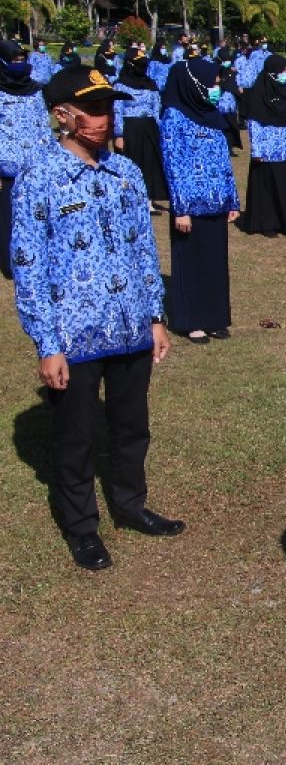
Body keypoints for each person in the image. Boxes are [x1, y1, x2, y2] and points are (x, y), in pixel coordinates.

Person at [10, 66, 184, 570]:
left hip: (130, 326)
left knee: (132, 426)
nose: (105, 118)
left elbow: (146, 252)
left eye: (109, 107)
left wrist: (155, 317)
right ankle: (81, 525)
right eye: (93, 109)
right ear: (61, 114)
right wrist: (47, 344)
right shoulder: (38, 176)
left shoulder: (126, 172)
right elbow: (29, 266)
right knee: (77, 436)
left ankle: (130, 505)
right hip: (74, 333)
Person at [159, 59, 241, 344]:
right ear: (194, 84)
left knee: (215, 263)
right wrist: (180, 210)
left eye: (218, 83)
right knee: (191, 263)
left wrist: (233, 200)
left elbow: (224, 162)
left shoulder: (212, 114)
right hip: (190, 207)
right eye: (212, 83)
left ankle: (215, 317)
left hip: (217, 201)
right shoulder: (174, 116)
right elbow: (173, 165)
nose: (216, 88)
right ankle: (192, 320)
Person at [0, 40, 55, 279]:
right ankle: (11, 264)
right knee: (9, 221)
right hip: (7, 170)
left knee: (37, 217)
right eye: (14, 61)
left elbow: (44, 127)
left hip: (37, 168)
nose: (19, 64)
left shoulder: (35, 90)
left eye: (22, 60)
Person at [241, 54, 286, 236]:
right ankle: (267, 224)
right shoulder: (258, 94)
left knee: (284, 187)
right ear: (272, 72)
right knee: (266, 189)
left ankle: (285, 223)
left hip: (285, 151)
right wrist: (257, 150)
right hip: (266, 152)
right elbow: (254, 124)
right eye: (281, 71)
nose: (285, 74)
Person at [113, 47, 169, 216]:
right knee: (133, 164)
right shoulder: (120, 85)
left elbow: (156, 108)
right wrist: (118, 134)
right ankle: (131, 199)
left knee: (151, 164)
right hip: (130, 128)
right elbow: (117, 110)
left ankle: (149, 200)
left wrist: (160, 130)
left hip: (149, 127)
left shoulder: (150, 84)